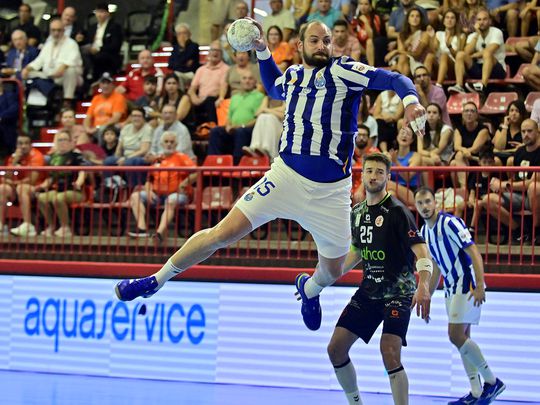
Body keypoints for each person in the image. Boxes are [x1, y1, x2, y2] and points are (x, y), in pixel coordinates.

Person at [113, 20, 428, 338]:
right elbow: (275, 86)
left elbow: (393, 78)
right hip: (285, 177)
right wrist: (262, 51)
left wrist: (412, 102)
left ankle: (310, 289)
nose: (322, 46)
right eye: (315, 40)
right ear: (300, 46)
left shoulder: (345, 70)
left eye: (327, 41)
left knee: (333, 270)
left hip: (331, 192)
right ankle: (156, 279)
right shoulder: (292, 76)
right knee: (224, 232)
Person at [326, 152, 432, 405]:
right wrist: (326, 277)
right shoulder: (357, 212)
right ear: (362, 175)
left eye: (379, 172)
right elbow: (357, 252)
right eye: (369, 171)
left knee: (390, 352)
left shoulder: (397, 212)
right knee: (335, 349)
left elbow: (422, 253)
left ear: (388, 177)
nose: (374, 176)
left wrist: (424, 285)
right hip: (369, 292)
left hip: (398, 292)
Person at [414, 186, 506, 405]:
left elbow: (474, 251)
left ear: (435, 203)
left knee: (455, 335)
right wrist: (426, 292)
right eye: (420, 203)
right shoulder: (424, 232)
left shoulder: (450, 223)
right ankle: (475, 393)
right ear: (416, 206)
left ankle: (492, 383)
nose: (425, 207)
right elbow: (435, 266)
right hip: (450, 288)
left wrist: (481, 284)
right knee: (463, 339)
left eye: (428, 202)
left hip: (466, 284)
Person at [128, 132, 196, 241]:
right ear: (162, 144)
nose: (169, 144)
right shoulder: (157, 159)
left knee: (171, 200)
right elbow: (149, 179)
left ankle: (159, 233)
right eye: (166, 141)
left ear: (176, 144)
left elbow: (196, 172)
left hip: (178, 195)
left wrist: (185, 183)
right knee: (135, 196)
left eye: (172, 142)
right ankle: (141, 228)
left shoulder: (181, 157)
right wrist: (149, 190)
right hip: (158, 195)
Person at [484, 119, 540, 244]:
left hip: (535, 197)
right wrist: (501, 185)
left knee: (535, 187)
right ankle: (519, 231)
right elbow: (514, 179)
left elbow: (531, 183)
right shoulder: (519, 152)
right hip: (519, 196)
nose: (526, 134)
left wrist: (506, 185)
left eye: (530, 131)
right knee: (488, 200)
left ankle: (536, 231)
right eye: (523, 131)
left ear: (537, 132)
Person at [21, 18, 83, 106]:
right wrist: (27, 68)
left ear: (64, 30)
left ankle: (67, 100)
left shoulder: (71, 43)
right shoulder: (48, 45)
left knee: (70, 70)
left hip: (65, 76)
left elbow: (72, 61)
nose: (56, 33)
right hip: (50, 75)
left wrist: (62, 68)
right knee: (28, 73)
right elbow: (39, 61)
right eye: (53, 30)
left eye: (59, 30)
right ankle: (33, 102)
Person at [35, 130, 86, 238]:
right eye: (60, 140)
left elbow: (83, 170)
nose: (62, 142)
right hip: (57, 189)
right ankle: (52, 226)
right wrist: (41, 186)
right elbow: (51, 177)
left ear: (71, 142)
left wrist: (79, 182)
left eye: (65, 139)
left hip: (75, 191)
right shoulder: (54, 157)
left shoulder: (76, 155)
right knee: (41, 198)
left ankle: (65, 228)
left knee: (58, 198)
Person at [448, 8, 506, 95]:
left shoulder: (496, 32)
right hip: (479, 68)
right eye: (479, 19)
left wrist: (474, 55)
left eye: (484, 19)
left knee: (487, 53)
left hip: (496, 69)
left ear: (490, 21)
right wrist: (477, 34)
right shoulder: (473, 36)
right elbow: (466, 52)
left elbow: (489, 50)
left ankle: (483, 85)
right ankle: (459, 85)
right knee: (460, 54)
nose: (481, 22)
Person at [0, 134, 45, 236]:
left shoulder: (37, 156)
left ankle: (28, 225)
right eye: (20, 143)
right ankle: (0, 224)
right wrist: (15, 162)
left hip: (36, 189)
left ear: (31, 145)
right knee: (2, 188)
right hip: (17, 189)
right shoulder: (14, 157)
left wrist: (14, 183)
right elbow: (5, 177)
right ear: (16, 145)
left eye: (26, 143)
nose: (23, 146)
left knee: (22, 188)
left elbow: (32, 180)